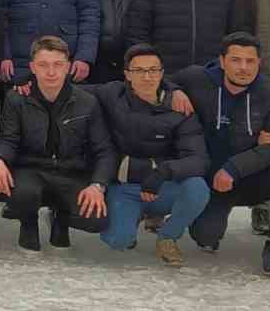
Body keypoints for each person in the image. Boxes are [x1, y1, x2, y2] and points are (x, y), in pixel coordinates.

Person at [169, 32, 270, 278]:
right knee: (205, 237)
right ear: (222, 60)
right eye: (236, 60)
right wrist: (175, 90)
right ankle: (213, 218)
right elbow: (163, 81)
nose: (243, 68)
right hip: (211, 179)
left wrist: (234, 167)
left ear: (259, 63)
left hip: (249, 175)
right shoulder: (197, 78)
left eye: (250, 61)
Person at [0, 36, 116, 252]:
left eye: (58, 65)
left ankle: (61, 216)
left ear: (68, 67)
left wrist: (97, 185)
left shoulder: (87, 101)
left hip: (71, 172)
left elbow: (104, 150)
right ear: (32, 67)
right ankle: (28, 222)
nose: (51, 72)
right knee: (20, 194)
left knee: (97, 219)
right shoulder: (16, 98)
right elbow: (8, 139)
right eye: (43, 65)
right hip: (31, 170)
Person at [87, 43, 209, 266]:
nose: (147, 77)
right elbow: (69, 89)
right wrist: (27, 81)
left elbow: (198, 159)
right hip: (125, 188)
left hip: (162, 185)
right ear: (127, 75)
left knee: (197, 188)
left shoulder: (180, 107)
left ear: (162, 73)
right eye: (139, 71)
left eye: (153, 70)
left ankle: (168, 237)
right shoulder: (112, 94)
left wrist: (163, 172)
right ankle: (132, 219)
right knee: (119, 241)